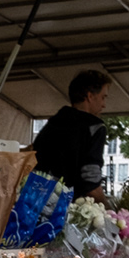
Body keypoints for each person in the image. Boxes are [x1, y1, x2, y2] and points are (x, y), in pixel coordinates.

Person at [30, 69, 111, 201]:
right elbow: (90, 181)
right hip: (68, 208)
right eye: (103, 97)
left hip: (36, 202)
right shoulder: (95, 127)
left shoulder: (52, 124)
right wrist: (109, 210)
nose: (104, 105)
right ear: (90, 96)